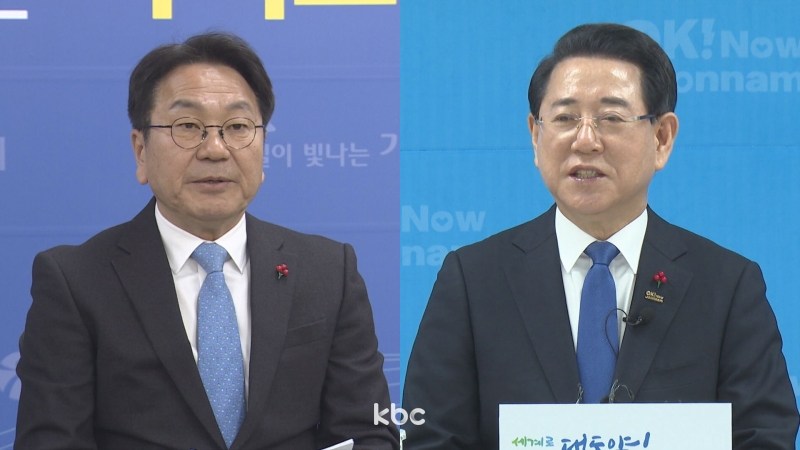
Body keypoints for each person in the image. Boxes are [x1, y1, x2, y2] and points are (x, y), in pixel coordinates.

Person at [402, 23, 798, 449]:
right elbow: (431, 436)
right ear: (535, 136)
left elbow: (764, 436)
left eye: (611, 118)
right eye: (565, 118)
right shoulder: (473, 279)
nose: (585, 140)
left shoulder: (726, 284)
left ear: (662, 138)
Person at [15, 32, 399, 450]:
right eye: (188, 126)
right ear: (141, 151)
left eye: (237, 127)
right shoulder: (76, 281)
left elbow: (368, 432)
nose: (215, 149)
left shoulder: (328, 271)